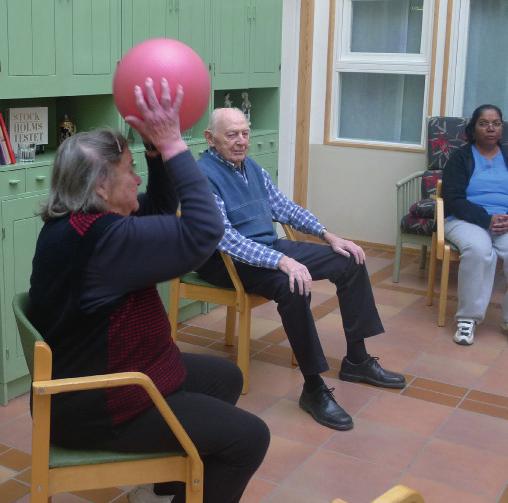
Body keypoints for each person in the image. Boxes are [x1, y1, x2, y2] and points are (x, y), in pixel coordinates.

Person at [29, 80, 270, 503]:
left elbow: (155, 209)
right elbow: (205, 231)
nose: (137, 177)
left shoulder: (74, 224)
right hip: (101, 404)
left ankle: (173, 480)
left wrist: (155, 156)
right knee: (249, 438)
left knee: (225, 377)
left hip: (91, 381)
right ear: (101, 187)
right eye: (130, 171)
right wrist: (175, 145)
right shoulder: (106, 241)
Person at [196, 107, 406, 432]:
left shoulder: (252, 167)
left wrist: (328, 235)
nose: (241, 141)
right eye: (231, 134)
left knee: (349, 260)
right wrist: (280, 261)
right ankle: (313, 387)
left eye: (245, 133)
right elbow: (226, 238)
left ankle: (357, 360)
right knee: (292, 285)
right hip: (226, 262)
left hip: (268, 250)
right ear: (211, 138)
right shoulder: (202, 177)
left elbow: (284, 207)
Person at [442, 104, 508, 346]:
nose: (491, 128)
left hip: (505, 222)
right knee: (479, 250)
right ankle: (467, 318)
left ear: (502, 127)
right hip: (465, 219)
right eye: (484, 123)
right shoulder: (460, 157)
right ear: (473, 128)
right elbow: (453, 198)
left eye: (496, 123)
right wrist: (486, 219)